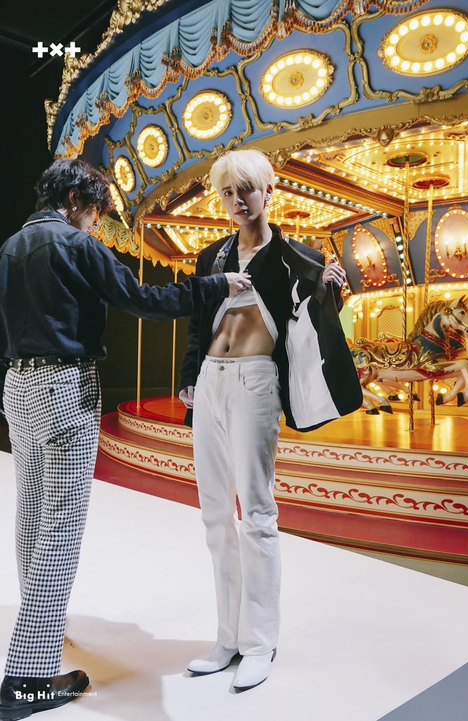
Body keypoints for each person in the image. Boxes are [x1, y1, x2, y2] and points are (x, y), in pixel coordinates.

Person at [0, 158, 250, 720]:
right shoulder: (74, 244)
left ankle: (43, 623)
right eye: (95, 212)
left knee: (31, 515)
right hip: (63, 385)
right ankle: (27, 679)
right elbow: (141, 300)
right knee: (61, 529)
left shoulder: (11, 247)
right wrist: (214, 286)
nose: (95, 223)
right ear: (75, 200)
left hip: (17, 387)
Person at [178, 148, 362, 691]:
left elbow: (317, 320)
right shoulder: (211, 255)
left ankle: (260, 641)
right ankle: (227, 638)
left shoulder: (295, 256)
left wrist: (329, 286)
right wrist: (188, 376)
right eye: (227, 193)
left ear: (267, 191)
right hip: (209, 381)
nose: (237, 201)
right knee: (215, 516)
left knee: (256, 513)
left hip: (256, 382)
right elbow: (197, 323)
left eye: (246, 190)